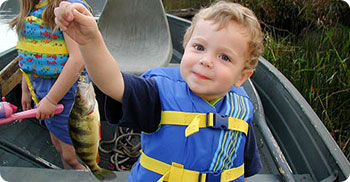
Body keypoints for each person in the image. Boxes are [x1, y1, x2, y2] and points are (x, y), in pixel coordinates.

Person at [54, 0, 264, 181]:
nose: (206, 61)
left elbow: (242, 168)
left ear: (242, 77)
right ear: (186, 45)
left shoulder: (241, 111)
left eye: (224, 57)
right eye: (199, 47)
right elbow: (111, 82)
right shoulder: (156, 94)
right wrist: (90, 40)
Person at [9, 0, 95, 170]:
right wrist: (26, 91)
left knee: (72, 158)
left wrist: (51, 100)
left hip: (67, 98)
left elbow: (77, 60)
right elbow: (30, 54)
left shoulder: (66, 11)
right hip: (42, 94)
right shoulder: (32, 10)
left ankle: (88, 175)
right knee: (58, 146)